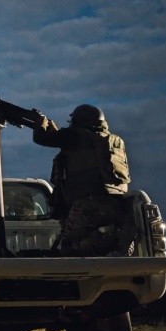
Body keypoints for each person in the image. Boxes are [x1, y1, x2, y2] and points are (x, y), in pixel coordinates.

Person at [32, 104, 133, 256]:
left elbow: (41, 138)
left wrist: (40, 122)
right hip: (114, 203)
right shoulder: (113, 141)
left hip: (86, 205)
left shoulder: (75, 136)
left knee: (67, 249)